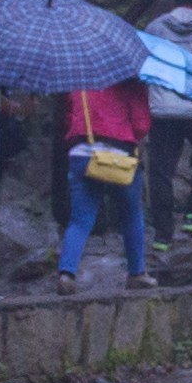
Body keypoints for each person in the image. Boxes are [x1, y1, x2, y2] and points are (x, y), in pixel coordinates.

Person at [56, 69, 153, 289]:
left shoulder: (77, 77)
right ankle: (136, 273)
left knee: (80, 219)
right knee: (131, 215)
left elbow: (70, 117)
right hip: (119, 156)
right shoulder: (130, 79)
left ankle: (66, 274)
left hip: (82, 153)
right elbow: (140, 126)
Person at [141, 6, 192, 227]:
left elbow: (144, 61)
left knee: (160, 170)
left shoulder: (155, 27)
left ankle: (163, 232)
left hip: (163, 108)